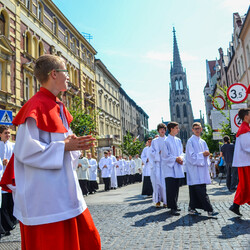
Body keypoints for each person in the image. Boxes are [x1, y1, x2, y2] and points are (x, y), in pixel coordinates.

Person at [0, 55, 101, 249]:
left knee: (90, 239)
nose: (69, 78)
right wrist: (65, 146)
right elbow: (26, 152)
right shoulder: (35, 106)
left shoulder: (59, 107)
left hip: (65, 190)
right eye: (66, 72)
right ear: (54, 74)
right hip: (46, 198)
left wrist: (75, 145)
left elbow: (65, 143)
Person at [185, 122, 217, 217]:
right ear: (192, 130)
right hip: (194, 170)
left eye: (199, 128)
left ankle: (191, 208)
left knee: (194, 190)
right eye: (195, 128)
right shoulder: (190, 141)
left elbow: (206, 154)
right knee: (201, 191)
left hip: (202, 170)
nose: (197, 130)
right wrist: (202, 154)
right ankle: (210, 210)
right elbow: (191, 157)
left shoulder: (203, 141)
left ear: (201, 129)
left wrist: (206, 154)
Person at [229, 108, 250, 216]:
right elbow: (247, 147)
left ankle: (235, 205)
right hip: (245, 162)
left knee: (245, 184)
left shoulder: (245, 128)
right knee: (245, 184)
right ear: (246, 116)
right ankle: (235, 205)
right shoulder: (244, 129)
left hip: (245, 161)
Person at [162, 122, 184, 215]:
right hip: (170, 168)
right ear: (171, 129)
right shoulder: (166, 141)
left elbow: (182, 152)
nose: (178, 130)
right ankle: (172, 207)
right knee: (170, 188)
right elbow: (165, 156)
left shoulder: (178, 140)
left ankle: (175, 204)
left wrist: (181, 158)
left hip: (178, 166)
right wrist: (175, 158)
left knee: (176, 187)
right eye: (176, 128)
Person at [0, 125, 16, 236]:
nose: (8, 135)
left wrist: (9, 162)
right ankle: (4, 227)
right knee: (3, 204)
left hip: (11, 179)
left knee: (11, 203)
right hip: (1, 178)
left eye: (9, 133)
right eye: (5, 133)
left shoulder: (13, 146)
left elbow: (17, 159)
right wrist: (1, 162)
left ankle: (10, 224)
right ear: (0, 134)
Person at [150, 123, 167, 208]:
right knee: (157, 182)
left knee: (165, 183)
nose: (162, 130)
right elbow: (151, 152)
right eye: (160, 129)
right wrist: (158, 153)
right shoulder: (154, 141)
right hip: (157, 164)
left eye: (163, 129)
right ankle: (157, 200)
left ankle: (166, 201)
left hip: (166, 164)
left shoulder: (167, 140)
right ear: (158, 130)